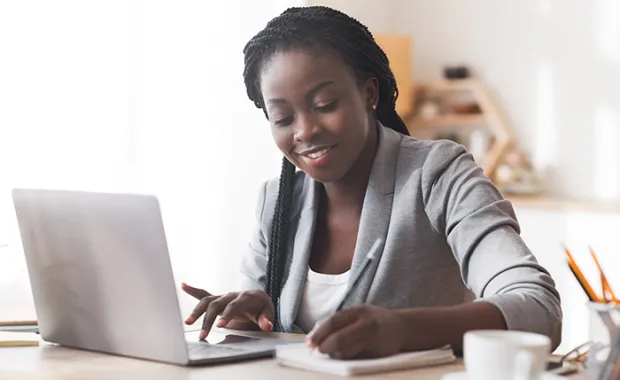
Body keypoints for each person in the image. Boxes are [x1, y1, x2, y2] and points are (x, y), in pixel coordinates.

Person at [181, 5, 562, 360]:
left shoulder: (438, 173)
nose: (305, 131)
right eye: (282, 119)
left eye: (325, 104)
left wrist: (403, 330)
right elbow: (259, 334)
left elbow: (538, 306)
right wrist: (246, 318)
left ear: (369, 93)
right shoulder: (278, 200)